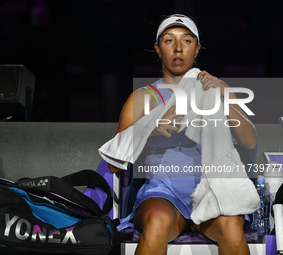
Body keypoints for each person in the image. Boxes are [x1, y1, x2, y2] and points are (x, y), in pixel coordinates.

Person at [107, 14, 257, 255]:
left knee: (232, 226)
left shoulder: (217, 88)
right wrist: (152, 129)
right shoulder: (143, 98)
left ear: (197, 49)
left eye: (186, 41)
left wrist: (225, 98)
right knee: (157, 222)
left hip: (212, 188)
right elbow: (115, 163)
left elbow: (250, 141)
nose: (178, 48)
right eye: (169, 40)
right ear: (158, 48)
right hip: (162, 192)